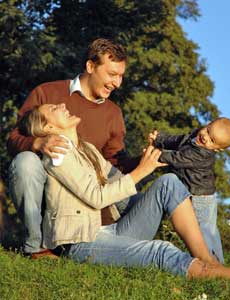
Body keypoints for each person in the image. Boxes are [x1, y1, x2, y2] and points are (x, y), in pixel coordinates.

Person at [16, 103, 230, 284]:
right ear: (48, 128)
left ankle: (207, 259)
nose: (62, 105)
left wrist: (147, 166)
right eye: (53, 109)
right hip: (81, 243)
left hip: (112, 232)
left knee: (168, 182)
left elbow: (115, 181)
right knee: (160, 250)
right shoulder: (58, 154)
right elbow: (96, 196)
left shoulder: (84, 147)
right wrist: (142, 171)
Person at [7, 38, 138, 258]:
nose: (117, 83)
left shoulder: (113, 113)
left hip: (83, 197)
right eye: (112, 74)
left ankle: (87, 241)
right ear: (90, 67)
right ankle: (36, 246)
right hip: (48, 185)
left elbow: (114, 162)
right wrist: (37, 143)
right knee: (25, 163)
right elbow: (13, 138)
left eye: (121, 76)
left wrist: (146, 158)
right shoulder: (47, 93)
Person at [148, 118, 230, 263]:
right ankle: (211, 262)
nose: (205, 137)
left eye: (211, 140)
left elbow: (178, 158)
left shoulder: (202, 155)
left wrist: (156, 154)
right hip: (192, 192)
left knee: (205, 231)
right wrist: (159, 139)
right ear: (208, 124)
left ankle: (213, 262)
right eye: (207, 130)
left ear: (217, 149)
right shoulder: (195, 136)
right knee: (204, 230)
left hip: (201, 199)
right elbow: (178, 140)